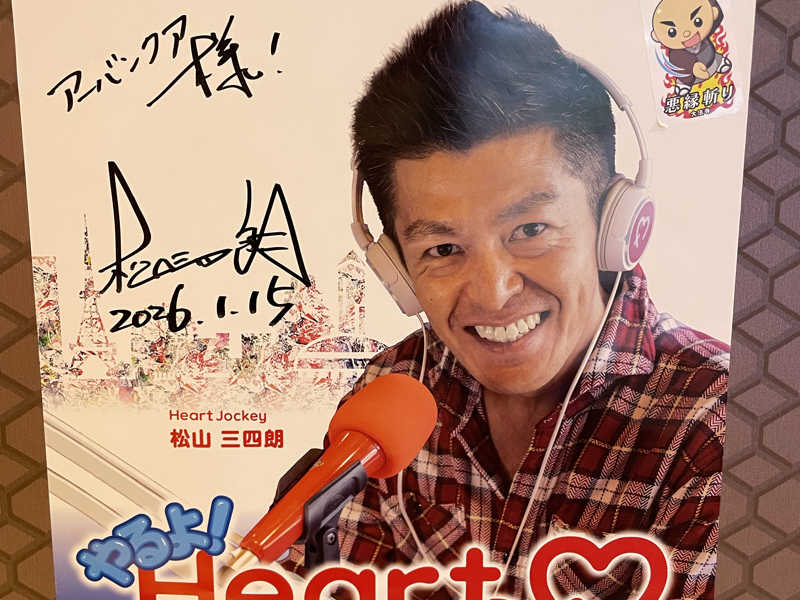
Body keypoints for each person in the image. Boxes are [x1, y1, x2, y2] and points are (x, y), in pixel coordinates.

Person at [285, 3, 727, 598]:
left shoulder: (716, 428)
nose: (493, 292)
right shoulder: (391, 394)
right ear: (397, 268)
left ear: (614, 224)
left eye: (530, 230)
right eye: (443, 249)